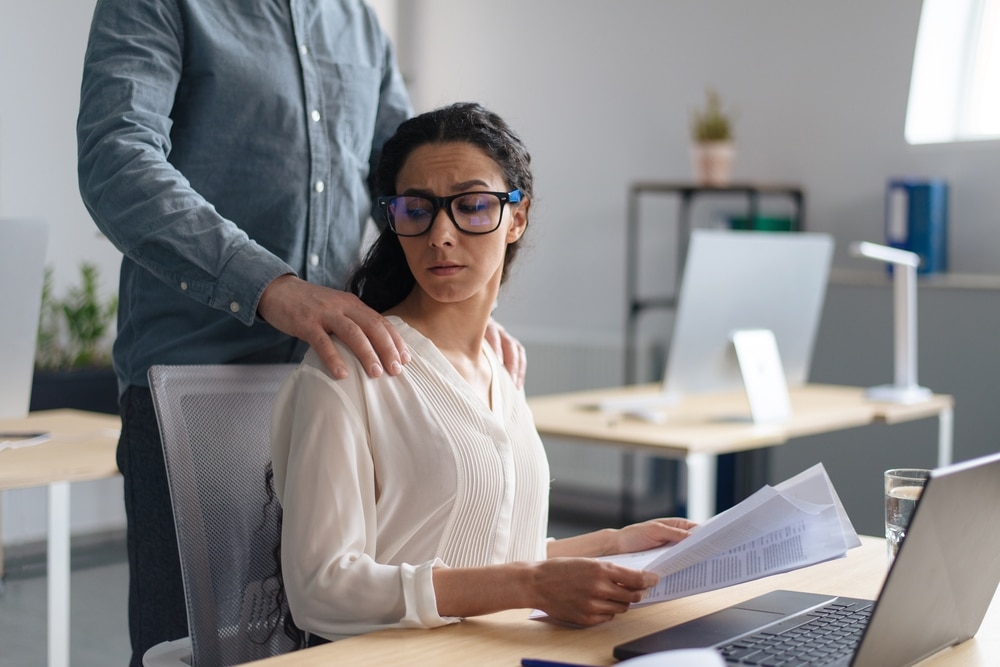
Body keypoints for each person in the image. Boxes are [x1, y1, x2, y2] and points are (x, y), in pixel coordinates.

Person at [76, 2, 524, 664]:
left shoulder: (356, 22)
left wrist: (460, 307)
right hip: (196, 380)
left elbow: (410, 185)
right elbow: (117, 160)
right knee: (197, 648)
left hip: (342, 377)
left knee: (326, 635)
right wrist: (271, 286)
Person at [269, 102, 697, 642]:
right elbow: (321, 588)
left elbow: (484, 555)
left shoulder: (499, 365)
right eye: (416, 210)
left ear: (517, 217)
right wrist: (531, 584)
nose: (440, 235)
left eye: (471, 206)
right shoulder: (348, 369)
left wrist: (612, 545)